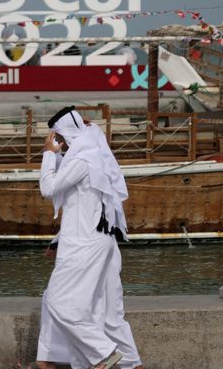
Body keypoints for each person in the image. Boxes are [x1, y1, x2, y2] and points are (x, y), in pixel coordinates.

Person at [36, 106, 142, 369]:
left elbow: (48, 187)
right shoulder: (90, 155)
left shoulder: (83, 159)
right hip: (94, 241)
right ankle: (102, 361)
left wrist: (49, 154)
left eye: (57, 136)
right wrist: (58, 239)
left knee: (60, 303)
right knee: (96, 311)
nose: (55, 142)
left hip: (84, 245)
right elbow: (85, 204)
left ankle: (104, 354)